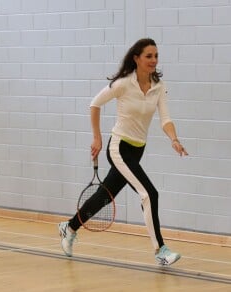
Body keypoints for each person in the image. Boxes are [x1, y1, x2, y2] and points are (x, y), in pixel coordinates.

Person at [58, 38, 188, 266]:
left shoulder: (159, 86)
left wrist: (174, 139)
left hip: (137, 150)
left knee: (104, 197)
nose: (154, 60)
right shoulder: (123, 84)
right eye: (148, 56)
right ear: (136, 58)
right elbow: (95, 103)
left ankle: (69, 227)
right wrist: (97, 137)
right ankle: (160, 250)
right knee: (150, 194)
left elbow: (165, 119)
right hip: (119, 148)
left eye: (156, 56)